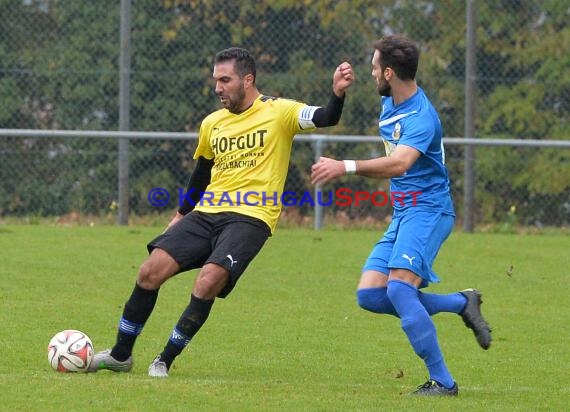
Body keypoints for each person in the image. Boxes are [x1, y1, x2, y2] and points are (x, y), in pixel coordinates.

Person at [87, 47, 354, 377]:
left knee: (207, 281)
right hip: (206, 212)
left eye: (225, 80)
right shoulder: (212, 123)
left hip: (252, 217)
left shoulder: (279, 111)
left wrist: (337, 93)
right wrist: (181, 214)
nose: (218, 88)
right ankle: (120, 355)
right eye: (216, 80)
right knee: (149, 271)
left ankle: (164, 360)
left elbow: (326, 116)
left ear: (248, 79)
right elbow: (201, 174)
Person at [311, 35, 491, 396]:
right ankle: (461, 302)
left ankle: (443, 382)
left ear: (389, 72)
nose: (372, 72)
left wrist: (344, 166)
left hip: (429, 211)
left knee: (399, 288)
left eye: (376, 67)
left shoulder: (422, 117)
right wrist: (339, 91)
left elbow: (400, 163)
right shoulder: (391, 101)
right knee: (371, 295)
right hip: (405, 213)